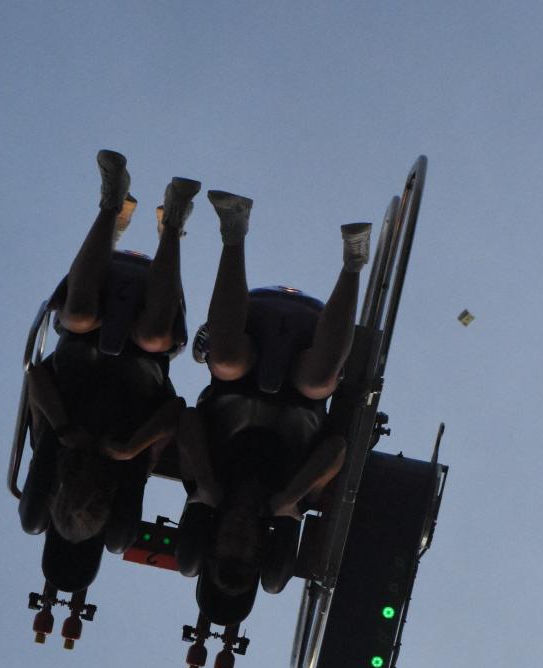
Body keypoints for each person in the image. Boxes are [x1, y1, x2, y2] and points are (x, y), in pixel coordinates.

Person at [175, 190, 371, 620]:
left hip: (243, 358)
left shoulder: (202, 485)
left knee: (225, 362)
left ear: (215, 538)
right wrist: (293, 497)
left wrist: (205, 482)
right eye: (248, 547)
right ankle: (354, 264)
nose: (239, 535)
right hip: (305, 367)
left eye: (228, 542)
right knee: (319, 382)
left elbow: (186, 418)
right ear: (262, 545)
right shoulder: (295, 500)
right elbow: (336, 448)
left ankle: (234, 231)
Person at [20, 151, 199, 569]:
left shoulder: (53, 447)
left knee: (79, 314)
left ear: (60, 493)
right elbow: (176, 410)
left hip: (81, 346)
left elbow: (36, 375)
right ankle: (172, 224)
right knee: (154, 335)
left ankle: (111, 204)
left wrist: (63, 427)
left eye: (73, 497)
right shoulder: (133, 466)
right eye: (94, 503)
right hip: (144, 364)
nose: (86, 492)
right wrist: (133, 446)